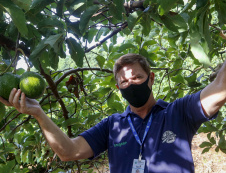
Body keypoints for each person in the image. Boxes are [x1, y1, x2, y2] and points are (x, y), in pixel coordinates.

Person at [0, 53, 225, 173]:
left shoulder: (178, 112)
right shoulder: (113, 125)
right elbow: (68, 151)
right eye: (124, 82)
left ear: (151, 78)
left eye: (137, 78)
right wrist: (38, 112)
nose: (131, 84)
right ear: (118, 88)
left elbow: (219, 88)